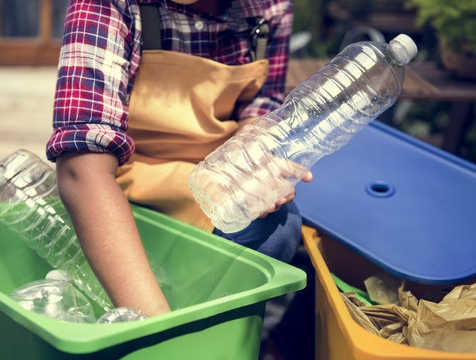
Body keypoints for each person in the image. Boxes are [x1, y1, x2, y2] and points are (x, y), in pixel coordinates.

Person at [46, 0, 312, 318]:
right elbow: (82, 169)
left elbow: (260, 105)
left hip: (211, 174)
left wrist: (248, 164)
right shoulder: (111, 5)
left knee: (278, 225)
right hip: (127, 183)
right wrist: (156, 328)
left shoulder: (267, 8)